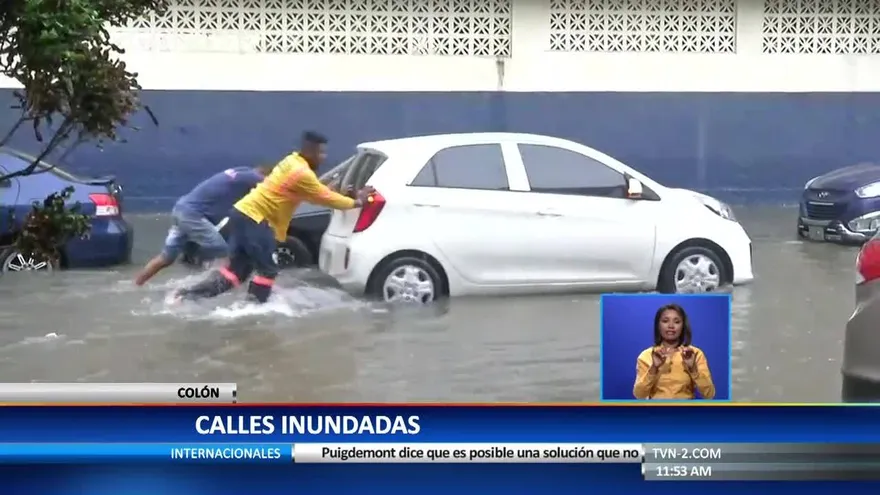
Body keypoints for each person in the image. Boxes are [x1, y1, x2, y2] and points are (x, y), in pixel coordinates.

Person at [173, 131, 373, 304]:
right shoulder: (302, 173)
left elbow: (311, 193)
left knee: (237, 272)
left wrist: (340, 194)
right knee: (268, 270)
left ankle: (186, 295)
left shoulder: (291, 161)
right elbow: (324, 197)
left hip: (243, 214)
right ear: (310, 150)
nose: (323, 157)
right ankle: (254, 309)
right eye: (320, 152)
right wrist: (357, 202)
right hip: (256, 219)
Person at [134, 165, 271, 286]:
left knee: (166, 258)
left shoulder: (241, 173)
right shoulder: (253, 177)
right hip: (192, 215)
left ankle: (137, 283)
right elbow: (273, 187)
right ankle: (216, 287)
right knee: (226, 252)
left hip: (181, 209)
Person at [632, 303, 716, 400]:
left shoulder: (694, 354)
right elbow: (639, 395)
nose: (671, 326)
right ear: (658, 325)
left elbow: (709, 394)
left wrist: (693, 369)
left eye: (676, 322)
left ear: (683, 326)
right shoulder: (646, 356)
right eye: (665, 321)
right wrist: (654, 368)